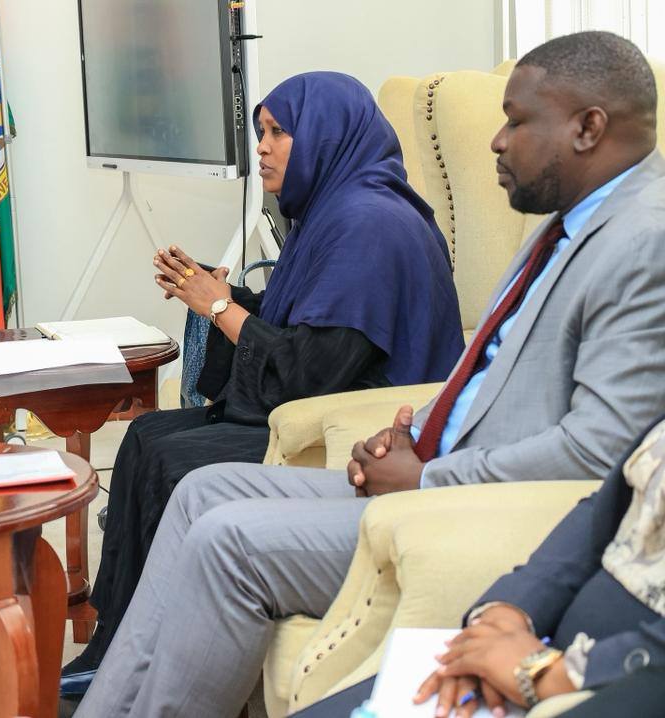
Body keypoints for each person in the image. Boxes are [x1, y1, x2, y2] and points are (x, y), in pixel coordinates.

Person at [74, 31, 665, 717]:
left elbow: (601, 453)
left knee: (226, 538)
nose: (498, 141)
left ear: (588, 128)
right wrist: (414, 436)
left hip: (475, 508)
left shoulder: (643, 241)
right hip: (430, 469)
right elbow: (498, 378)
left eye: (518, 119)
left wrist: (429, 474)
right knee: (203, 491)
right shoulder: (569, 224)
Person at [63, 71, 466, 693]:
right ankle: (117, 643)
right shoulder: (334, 212)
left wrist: (218, 308)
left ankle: (148, 659)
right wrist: (223, 295)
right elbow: (299, 326)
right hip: (310, 402)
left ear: (328, 136)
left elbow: (312, 370)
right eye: (261, 132)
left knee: (175, 457)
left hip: (349, 435)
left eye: (280, 132)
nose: (264, 146)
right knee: (147, 435)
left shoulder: (369, 225)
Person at [295, 413, 665, 717]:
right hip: (531, 653)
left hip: (612, 690)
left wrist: (550, 675)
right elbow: (608, 508)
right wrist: (506, 616)